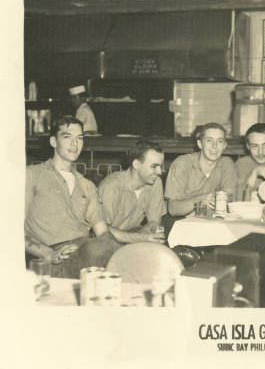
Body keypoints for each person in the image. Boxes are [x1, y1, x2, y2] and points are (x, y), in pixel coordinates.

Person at [25, 116, 121, 278]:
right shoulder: (32, 175)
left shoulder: (87, 185)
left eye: (80, 138)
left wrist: (125, 254)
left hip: (85, 254)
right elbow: (11, 229)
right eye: (67, 137)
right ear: (53, 142)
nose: (75, 144)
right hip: (47, 257)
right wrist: (49, 254)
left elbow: (103, 234)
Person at [98, 140, 167, 244]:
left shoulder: (156, 182)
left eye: (160, 166)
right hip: (105, 241)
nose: (159, 172)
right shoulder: (111, 186)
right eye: (154, 166)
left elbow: (154, 222)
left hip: (132, 236)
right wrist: (141, 238)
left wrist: (152, 230)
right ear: (136, 164)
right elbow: (101, 231)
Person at [165, 122, 237, 217]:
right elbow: (172, 209)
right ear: (200, 144)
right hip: (180, 222)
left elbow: (229, 199)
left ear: (224, 145)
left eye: (219, 141)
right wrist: (200, 199)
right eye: (209, 140)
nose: (214, 146)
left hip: (211, 222)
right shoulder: (182, 163)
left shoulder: (227, 164)